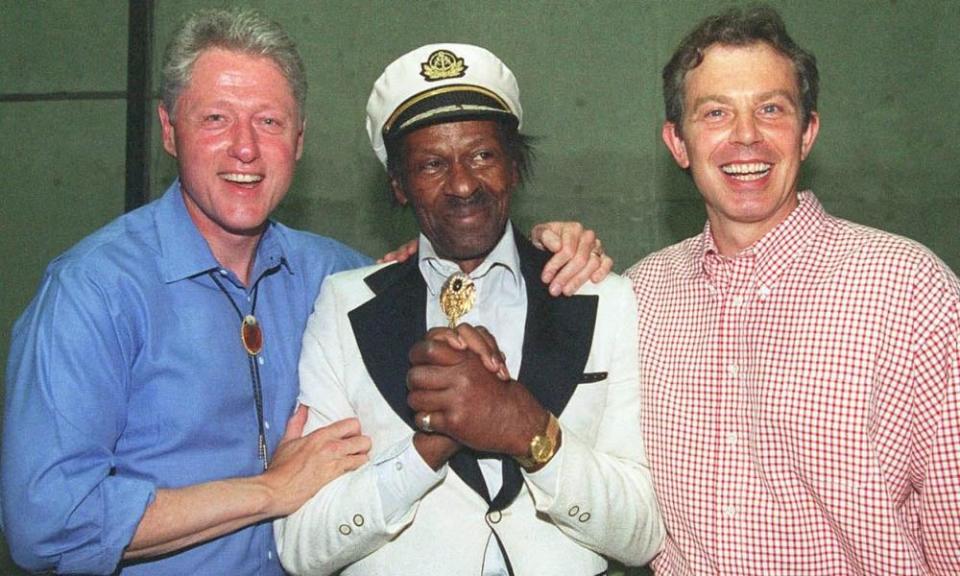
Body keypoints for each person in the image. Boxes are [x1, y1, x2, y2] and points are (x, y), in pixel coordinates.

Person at [1, 10, 606, 575]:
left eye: (269, 121)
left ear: (299, 140)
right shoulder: (93, 291)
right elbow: (46, 523)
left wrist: (556, 247)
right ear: (168, 130)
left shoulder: (334, 277)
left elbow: (449, 268)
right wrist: (269, 492)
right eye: (215, 118)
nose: (245, 147)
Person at [274, 43, 663, 576]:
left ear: (515, 167)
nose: (462, 184)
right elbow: (300, 549)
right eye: (432, 164)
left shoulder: (604, 297)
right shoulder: (346, 306)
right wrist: (425, 451)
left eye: (483, 155)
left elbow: (642, 536)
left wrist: (531, 434)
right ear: (398, 185)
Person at [620, 6, 959, 574]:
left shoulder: (911, 291)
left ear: (807, 133)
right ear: (678, 143)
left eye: (771, 109)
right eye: (715, 112)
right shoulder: (640, 296)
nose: (746, 136)